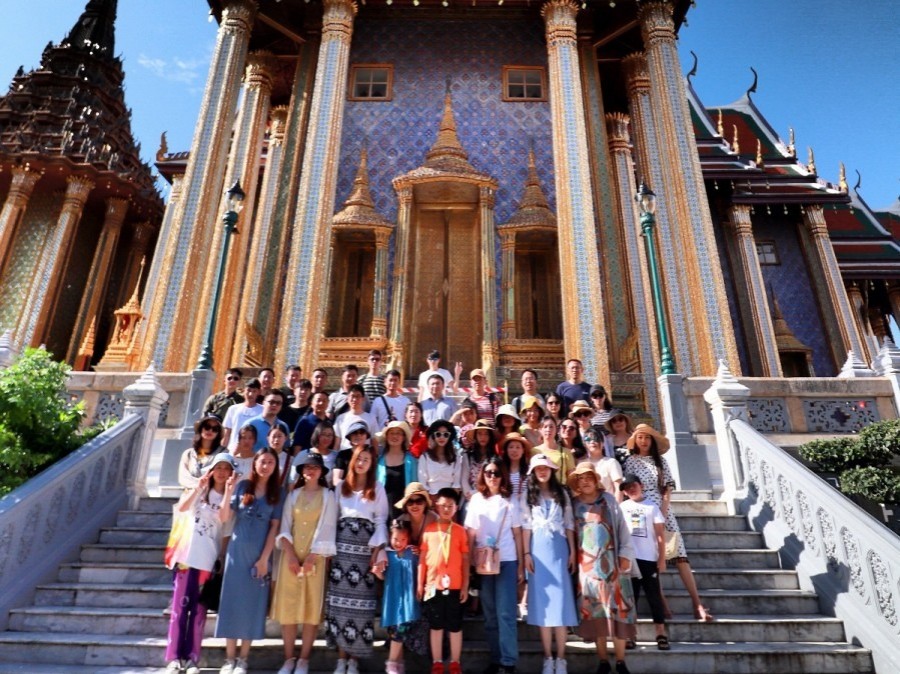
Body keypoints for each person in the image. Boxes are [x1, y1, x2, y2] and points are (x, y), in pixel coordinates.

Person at [622, 424, 715, 622]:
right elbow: (630, 488)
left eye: (647, 437)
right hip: (640, 511)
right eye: (640, 437)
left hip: (662, 510)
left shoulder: (661, 461)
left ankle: (697, 603)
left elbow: (667, 489)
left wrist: (662, 514)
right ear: (635, 440)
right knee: (650, 558)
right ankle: (662, 605)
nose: (643, 441)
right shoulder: (631, 461)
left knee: (679, 556)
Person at [164, 453, 236, 674]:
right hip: (186, 558)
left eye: (226, 468)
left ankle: (192, 658)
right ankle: (173, 658)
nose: (222, 472)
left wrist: (229, 491)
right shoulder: (199, 490)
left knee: (198, 612)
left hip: (207, 560)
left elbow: (224, 519)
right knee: (179, 610)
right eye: (218, 467)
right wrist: (198, 487)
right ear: (211, 470)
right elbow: (183, 507)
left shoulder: (230, 498)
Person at [215, 449, 283, 674]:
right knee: (232, 603)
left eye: (270, 462)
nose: (266, 466)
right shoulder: (243, 487)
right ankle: (229, 658)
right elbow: (224, 517)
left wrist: (264, 559)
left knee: (252, 606)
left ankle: (243, 658)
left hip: (259, 555)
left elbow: (274, 528)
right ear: (255, 464)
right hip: (236, 552)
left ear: (275, 466)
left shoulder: (278, 493)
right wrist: (229, 490)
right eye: (262, 462)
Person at [272, 453, 338, 674]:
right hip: (291, 557)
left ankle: (304, 660)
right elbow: (285, 526)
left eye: (315, 467)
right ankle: (288, 658)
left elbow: (328, 526)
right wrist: (291, 555)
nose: (311, 470)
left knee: (311, 609)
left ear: (321, 472)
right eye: (307, 467)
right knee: (288, 608)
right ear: (301, 471)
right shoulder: (293, 495)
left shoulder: (328, 496)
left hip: (315, 557)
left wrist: (312, 556)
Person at [568, 462, 636, 674]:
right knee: (596, 614)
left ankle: (621, 661)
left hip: (613, 564)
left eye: (588, 477)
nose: (585, 482)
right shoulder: (573, 505)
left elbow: (622, 527)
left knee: (619, 613)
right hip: (587, 569)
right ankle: (603, 660)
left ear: (595, 479)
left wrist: (625, 554)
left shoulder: (608, 500)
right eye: (580, 479)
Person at [326, 446, 389, 674]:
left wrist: (377, 548)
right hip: (342, 551)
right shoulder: (341, 487)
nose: (362, 463)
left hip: (365, 552)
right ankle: (341, 659)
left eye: (367, 460)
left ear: (372, 464)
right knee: (340, 607)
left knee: (361, 609)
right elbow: (332, 519)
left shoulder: (377, 488)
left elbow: (381, 519)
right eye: (359, 458)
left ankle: (354, 660)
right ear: (353, 461)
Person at [464, 458, 523, 674]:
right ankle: (496, 659)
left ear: (503, 475)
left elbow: (518, 533)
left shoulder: (511, 500)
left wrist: (521, 564)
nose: (492, 477)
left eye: (497, 473)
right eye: (488, 472)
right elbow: (470, 533)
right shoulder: (476, 499)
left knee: (506, 613)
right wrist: (469, 561)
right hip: (483, 562)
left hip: (507, 560)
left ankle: (508, 662)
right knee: (489, 614)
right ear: (482, 475)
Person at [521, 454, 578, 674]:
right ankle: (547, 657)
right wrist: (526, 553)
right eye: (538, 468)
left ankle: (561, 658)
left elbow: (569, 523)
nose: (542, 471)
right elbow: (526, 525)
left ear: (551, 470)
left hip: (559, 549)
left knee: (562, 603)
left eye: (545, 468)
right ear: (533, 472)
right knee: (543, 606)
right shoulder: (528, 494)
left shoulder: (562, 493)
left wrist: (572, 551)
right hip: (538, 551)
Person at [418, 488, 469, 674]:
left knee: (455, 626)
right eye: (443, 505)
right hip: (433, 586)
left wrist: (465, 585)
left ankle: (455, 662)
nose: (446, 509)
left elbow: (465, 560)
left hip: (455, 586)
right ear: (436, 506)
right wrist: (420, 584)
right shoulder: (429, 530)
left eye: (450, 506)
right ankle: (437, 662)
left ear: (456, 508)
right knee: (436, 625)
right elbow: (422, 559)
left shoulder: (460, 531)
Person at [618, 473, 669, 651]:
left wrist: (661, 558)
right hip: (629, 559)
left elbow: (660, 535)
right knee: (631, 598)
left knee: (654, 596)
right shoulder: (622, 507)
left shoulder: (652, 507)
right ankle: (631, 634)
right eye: (627, 488)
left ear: (642, 486)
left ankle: (660, 633)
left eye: (634, 485)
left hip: (648, 558)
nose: (631, 489)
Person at [375, 519, 421, 674]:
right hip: (393, 600)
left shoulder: (413, 553)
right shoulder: (386, 554)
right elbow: (383, 577)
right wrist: (378, 572)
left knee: (400, 632)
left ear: (408, 539)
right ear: (390, 537)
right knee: (395, 633)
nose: (399, 543)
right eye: (395, 539)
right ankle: (398, 666)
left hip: (408, 601)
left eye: (403, 539)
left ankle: (391, 664)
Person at [375, 420, 418, 519]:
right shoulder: (379, 461)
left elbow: (414, 487)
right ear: (386, 437)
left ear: (403, 437)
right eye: (391, 433)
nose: (395, 436)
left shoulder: (411, 460)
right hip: (383, 510)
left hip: (405, 510)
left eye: (398, 433)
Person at [179, 415, 226, 489]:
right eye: (207, 427)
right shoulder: (188, 454)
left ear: (218, 433)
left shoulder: (223, 454)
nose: (210, 430)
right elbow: (183, 478)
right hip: (190, 493)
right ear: (201, 429)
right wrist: (199, 485)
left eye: (215, 429)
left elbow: (221, 478)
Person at [418, 419, 462, 497]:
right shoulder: (424, 457)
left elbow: (456, 484)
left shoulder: (456, 457)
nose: (442, 437)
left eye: (446, 434)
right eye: (438, 434)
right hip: (430, 498)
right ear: (433, 436)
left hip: (450, 498)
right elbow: (422, 484)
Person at [291, 421, 338, 487]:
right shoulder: (304, 454)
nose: (326, 438)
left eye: (330, 435)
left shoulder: (337, 456)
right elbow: (292, 479)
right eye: (323, 434)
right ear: (317, 434)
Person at [461, 419, 496, 504]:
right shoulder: (468, 456)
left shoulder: (495, 458)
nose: (483, 437)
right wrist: (471, 495)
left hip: (489, 498)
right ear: (475, 436)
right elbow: (464, 480)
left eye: (486, 434)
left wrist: (480, 495)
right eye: (479, 434)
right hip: (469, 497)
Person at [581, 429, 623, 499]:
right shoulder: (581, 464)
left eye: (596, 439)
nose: (592, 442)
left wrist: (615, 505)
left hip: (607, 504)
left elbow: (619, 489)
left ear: (603, 443)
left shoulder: (611, 462)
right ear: (584, 444)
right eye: (588, 439)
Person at [333, 384, 378, 450]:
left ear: (363, 399)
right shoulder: (340, 418)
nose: (354, 399)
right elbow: (337, 443)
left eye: (358, 396)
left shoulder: (371, 418)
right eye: (352, 396)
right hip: (345, 455)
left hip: (364, 454)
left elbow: (374, 442)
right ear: (347, 398)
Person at [222, 379, 262, 450]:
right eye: (248, 390)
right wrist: (223, 449)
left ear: (259, 392)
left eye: (254, 391)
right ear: (244, 390)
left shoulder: (263, 410)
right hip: (233, 449)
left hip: (255, 451)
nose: (250, 394)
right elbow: (227, 433)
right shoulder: (233, 409)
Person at [332, 420, 372, 485]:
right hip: (345, 489)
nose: (358, 435)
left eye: (362, 432)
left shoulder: (371, 454)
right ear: (349, 437)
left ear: (366, 436)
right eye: (354, 432)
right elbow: (336, 480)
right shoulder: (342, 455)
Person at [499, 432, 530, 502]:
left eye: (518, 447)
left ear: (523, 450)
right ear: (506, 450)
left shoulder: (529, 470)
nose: (514, 450)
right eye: (511, 447)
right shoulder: (500, 470)